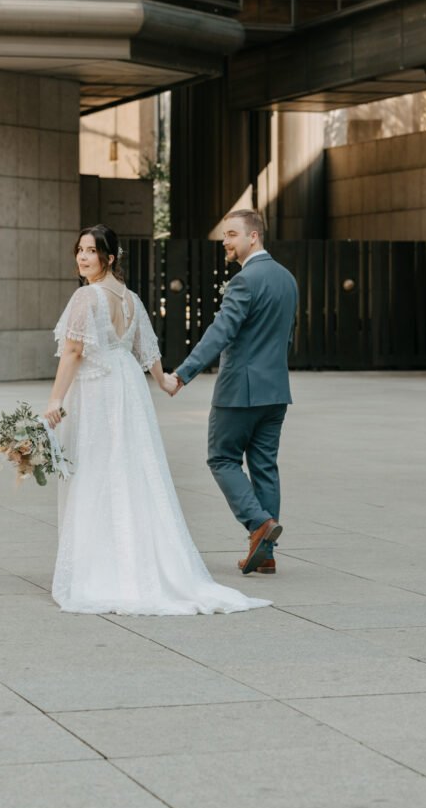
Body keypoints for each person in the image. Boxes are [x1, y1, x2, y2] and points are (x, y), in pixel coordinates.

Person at [43, 223, 271, 617]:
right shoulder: (130, 299)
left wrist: (55, 399)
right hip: (127, 388)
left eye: (91, 251)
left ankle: (102, 565)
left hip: (99, 391)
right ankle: (137, 558)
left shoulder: (86, 296)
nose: (82, 257)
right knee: (131, 472)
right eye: (79, 250)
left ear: (109, 257)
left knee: (97, 471)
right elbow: (146, 350)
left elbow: (74, 351)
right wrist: (166, 382)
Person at [172, 210, 298, 576]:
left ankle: (258, 524)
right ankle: (266, 553)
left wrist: (182, 375)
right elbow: (287, 336)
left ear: (254, 237)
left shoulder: (245, 281)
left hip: (240, 390)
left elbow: (220, 332)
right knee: (264, 467)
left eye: (231, 234)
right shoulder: (287, 279)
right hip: (276, 389)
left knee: (222, 458)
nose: (225, 242)